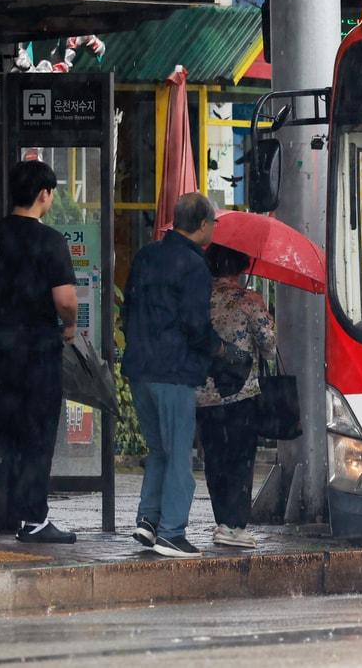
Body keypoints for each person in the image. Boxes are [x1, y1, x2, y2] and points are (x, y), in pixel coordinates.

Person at [0, 160, 79, 544]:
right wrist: (71, 325)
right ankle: (33, 519)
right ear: (44, 195)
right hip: (36, 353)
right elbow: (65, 301)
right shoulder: (51, 242)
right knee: (36, 435)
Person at [123, 192, 222, 558]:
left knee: (159, 450)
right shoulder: (195, 265)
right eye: (213, 222)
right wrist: (220, 351)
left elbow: (128, 308)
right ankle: (171, 532)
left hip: (140, 370)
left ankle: (148, 522)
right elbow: (196, 325)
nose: (214, 227)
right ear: (201, 225)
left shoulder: (146, 255)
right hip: (175, 370)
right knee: (179, 454)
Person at [196, 245, 275, 549]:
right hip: (242, 393)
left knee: (214, 458)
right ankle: (236, 525)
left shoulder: (198, 298)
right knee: (241, 458)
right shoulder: (249, 300)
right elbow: (268, 344)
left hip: (204, 393)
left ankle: (221, 522)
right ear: (241, 266)